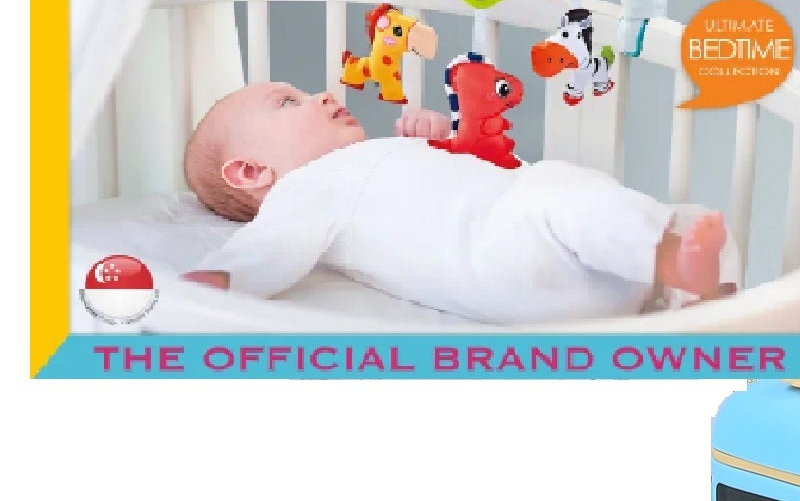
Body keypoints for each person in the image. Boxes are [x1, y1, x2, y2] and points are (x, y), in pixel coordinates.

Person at [181, 80, 729, 319]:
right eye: (287, 102)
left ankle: (684, 291)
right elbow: (265, 250)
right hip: (510, 258)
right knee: (559, 189)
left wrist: (440, 139)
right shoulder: (304, 189)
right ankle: (673, 264)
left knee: (571, 195)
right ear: (251, 171)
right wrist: (204, 287)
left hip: (578, 272)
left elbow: (467, 173)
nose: (321, 95)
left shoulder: (370, 161)